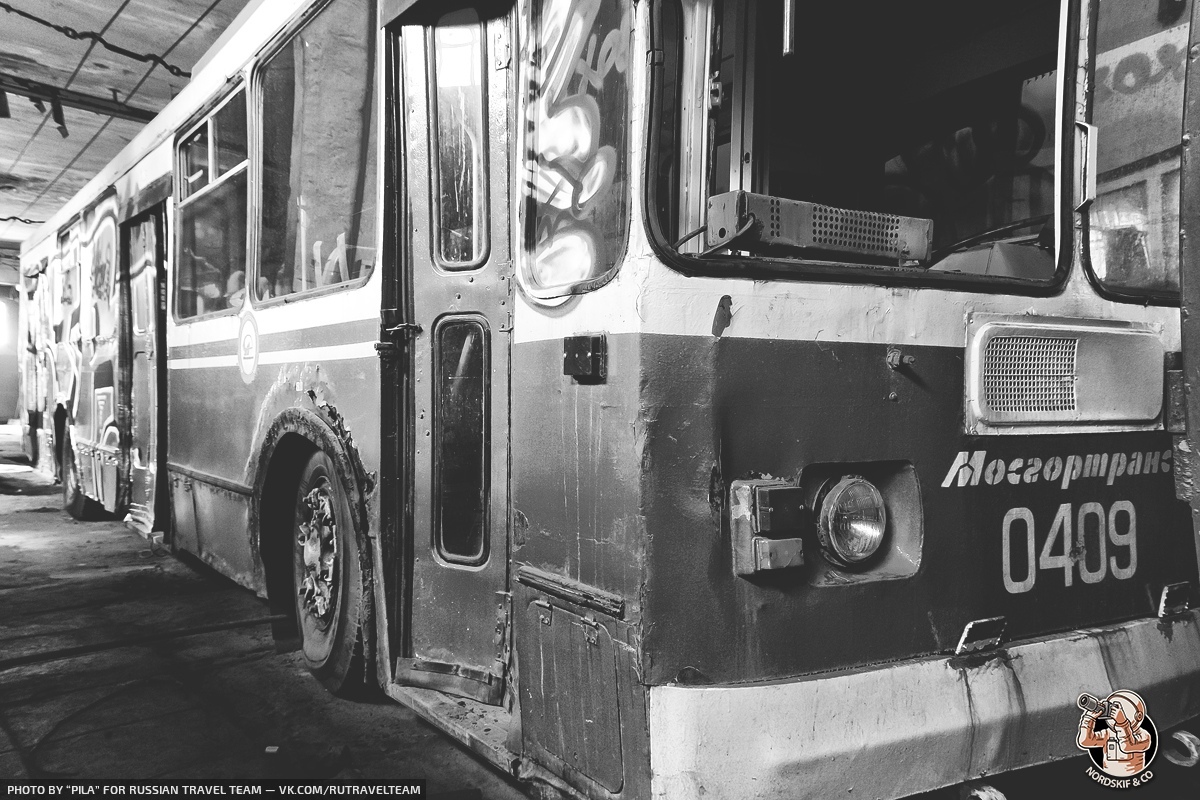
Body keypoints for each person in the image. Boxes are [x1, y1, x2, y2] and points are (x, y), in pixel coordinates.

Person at [1078, 690, 1153, 776]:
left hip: (1133, 780)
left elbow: (1127, 746)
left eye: (1117, 708)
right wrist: (1089, 719)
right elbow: (1085, 741)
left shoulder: (1144, 736)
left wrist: (1122, 723)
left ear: (1138, 716)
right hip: (1108, 778)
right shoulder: (1108, 733)